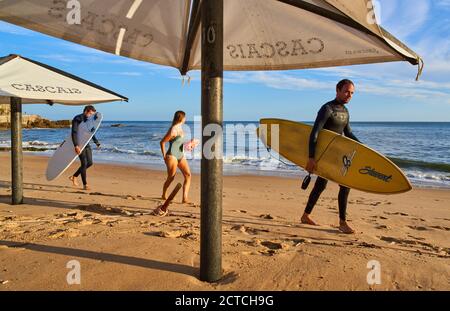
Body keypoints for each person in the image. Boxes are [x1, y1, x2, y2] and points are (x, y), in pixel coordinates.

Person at [301, 79, 360, 234]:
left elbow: (348, 133)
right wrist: (311, 157)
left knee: (324, 186)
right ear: (338, 90)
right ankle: (342, 222)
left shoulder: (345, 111)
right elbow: (315, 133)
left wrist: (361, 146)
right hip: (324, 155)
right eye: (347, 91)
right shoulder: (327, 109)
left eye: (352, 93)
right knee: (338, 185)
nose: (349, 95)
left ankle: (305, 216)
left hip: (336, 155)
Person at [154, 111, 192, 216]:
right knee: (171, 177)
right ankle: (164, 194)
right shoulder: (173, 129)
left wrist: (190, 144)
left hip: (180, 155)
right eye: (185, 117)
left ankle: (185, 198)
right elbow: (162, 142)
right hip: (172, 155)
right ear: (181, 118)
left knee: (188, 175)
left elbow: (180, 144)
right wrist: (164, 155)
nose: (186, 119)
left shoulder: (181, 128)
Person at [69, 105, 101, 191]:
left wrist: (96, 142)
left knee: (90, 163)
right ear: (86, 111)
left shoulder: (89, 120)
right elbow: (74, 132)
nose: (91, 116)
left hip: (86, 143)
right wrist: (76, 145)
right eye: (91, 113)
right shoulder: (77, 118)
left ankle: (74, 176)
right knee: (84, 163)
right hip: (79, 143)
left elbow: (91, 132)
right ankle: (85, 185)